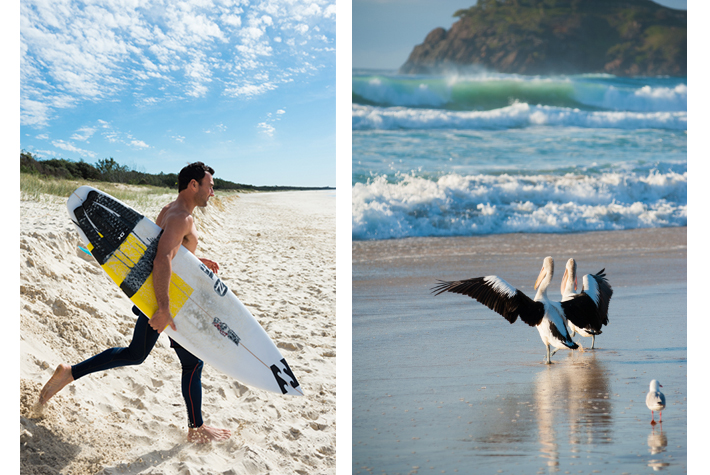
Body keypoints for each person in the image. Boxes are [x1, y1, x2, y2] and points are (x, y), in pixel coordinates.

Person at [38, 162, 231, 443]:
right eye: (209, 185)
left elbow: (164, 251)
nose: (212, 192)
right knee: (191, 364)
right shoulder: (183, 218)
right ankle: (196, 428)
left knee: (138, 354)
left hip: (156, 295)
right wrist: (164, 309)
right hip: (166, 300)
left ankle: (70, 372)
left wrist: (196, 262)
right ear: (193, 185)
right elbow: (161, 258)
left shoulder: (169, 210)